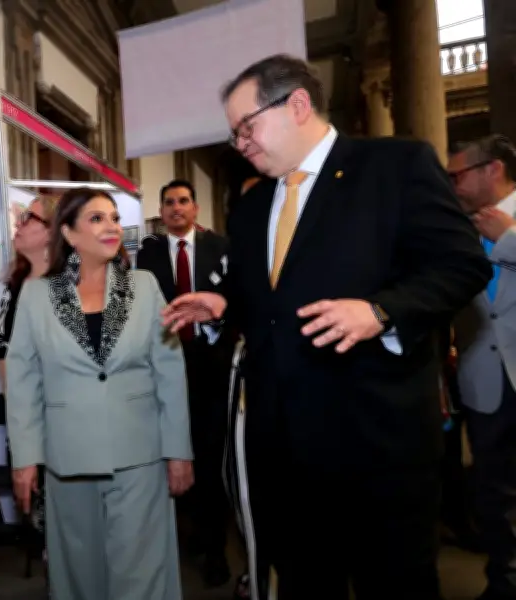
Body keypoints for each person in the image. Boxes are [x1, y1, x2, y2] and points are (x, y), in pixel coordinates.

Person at [163, 54, 491, 600]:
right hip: (284, 450)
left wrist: (380, 312)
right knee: (305, 583)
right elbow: (265, 297)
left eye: (247, 126)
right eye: (234, 133)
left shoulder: (394, 166)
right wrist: (224, 304)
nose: (240, 143)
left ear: (297, 104)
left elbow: (461, 265)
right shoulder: (251, 207)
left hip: (375, 441)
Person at [6, 187, 193, 600]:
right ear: (69, 233)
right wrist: (25, 458)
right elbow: (22, 381)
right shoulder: (37, 295)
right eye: (96, 218)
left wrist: (179, 451)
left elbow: (170, 373)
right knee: (79, 574)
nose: (111, 226)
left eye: (114, 218)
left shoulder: (143, 286)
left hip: (140, 455)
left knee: (141, 574)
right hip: (67, 457)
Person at [136, 179, 232, 587]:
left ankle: (216, 549)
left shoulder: (221, 248)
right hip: (165, 366)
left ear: (195, 208)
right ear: (161, 211)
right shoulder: (148, 254)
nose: (176, 208)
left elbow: (238, 300)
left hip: (211, 367)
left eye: (183, 201)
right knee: (176, 451)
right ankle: (191, 532)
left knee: (210, 458)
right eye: (169, 202)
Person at [449, 134, 516, 600]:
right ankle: (504, 584)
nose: (453, 185)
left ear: (492, 169)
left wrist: (507, 239)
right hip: (482, 379)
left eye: (458, 175)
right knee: (494, 494)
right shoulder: (456, 227)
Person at [0, 195, 57, 565]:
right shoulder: (14, 286)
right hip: (26, 419)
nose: (18, 223)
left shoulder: (72, 286)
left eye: (28, 217)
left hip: (66, 418)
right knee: (38, 515)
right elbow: (2, 353)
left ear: (52, 231)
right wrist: (18, 413)